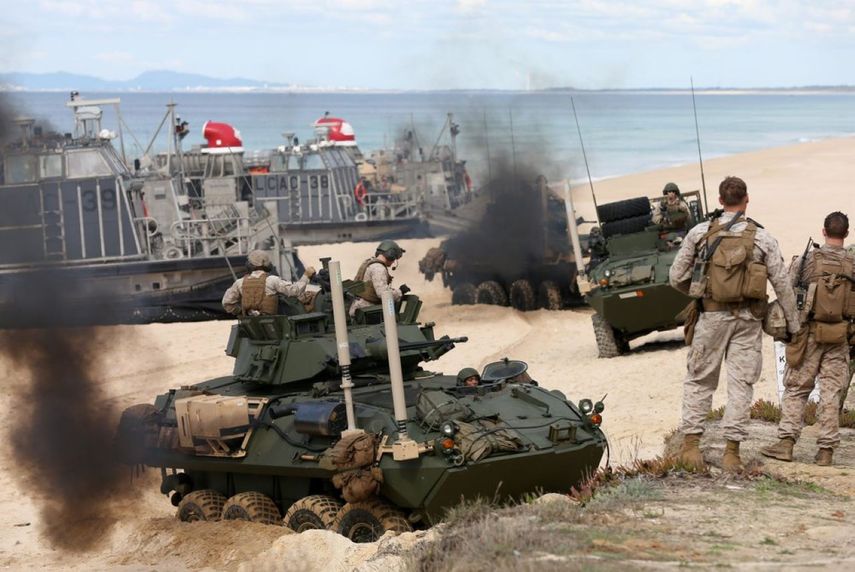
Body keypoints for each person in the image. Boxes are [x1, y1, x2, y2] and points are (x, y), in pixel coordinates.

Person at [669, 176, 800, 472]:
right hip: (748, 319)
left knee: (700, 378)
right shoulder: (763, 238)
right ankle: (731, 453)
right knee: (741, 384)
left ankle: (691, 448)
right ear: (746, 199)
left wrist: (699, 291)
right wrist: (793, 325)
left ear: (719, 200)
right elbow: (782, 286)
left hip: (710, 317)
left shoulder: (699, 233)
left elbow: (676, 277)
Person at [761, 212, 854, 467]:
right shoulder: (853, 265)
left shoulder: (806, 260)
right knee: (831, 393)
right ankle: (826, 452)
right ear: (845, 234)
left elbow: (787, 292)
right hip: (840, 336)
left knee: (797, 388)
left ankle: (786, 443)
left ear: (824, 231)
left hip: (808, 335)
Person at [222, 250, 315, 316]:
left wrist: (241, 312)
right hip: (273, 324)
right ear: (267, 265)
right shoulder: (272, 280)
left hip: (251, 327)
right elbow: (295, 291)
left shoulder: (239, 283)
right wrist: (306, 275)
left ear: (249, 265)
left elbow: (227, 303)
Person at [349, 240, 409, 316]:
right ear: (390, 255)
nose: (393, 262)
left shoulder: (369, 263)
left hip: (360, 309)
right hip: (368, 312)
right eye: (394, 258)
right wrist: (400, 291)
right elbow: (383, 294)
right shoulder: (379, 269)